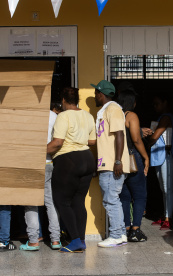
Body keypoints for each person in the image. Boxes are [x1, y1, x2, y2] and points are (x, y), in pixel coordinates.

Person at [47, 87, 96, 253]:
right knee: (78, 201)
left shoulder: (63, 116)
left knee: (62, 201)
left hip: (68, 160)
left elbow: (58, 142)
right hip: (87, 159)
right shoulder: (88, 116)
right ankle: (80, 239)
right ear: (77, 100)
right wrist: (78, 138)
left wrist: (36, 150)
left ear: (63, 100)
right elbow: (92, 141)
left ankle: (75, 240)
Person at [92, 80, 130, 248]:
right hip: (107, 163)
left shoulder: (113, 109)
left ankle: (115, 235)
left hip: (112, 164)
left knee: (110, 200)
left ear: (101, 94)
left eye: (95, 93)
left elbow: (120, 134)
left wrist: (117, 160)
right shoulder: (106, 110)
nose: (94, 96)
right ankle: (120, 234)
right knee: (112, 199)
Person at [19, 102, 62, 251]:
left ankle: (33, 240)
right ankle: (56, 240)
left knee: (31, 203)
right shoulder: (54, 116)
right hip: (48, 161)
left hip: (30, 163)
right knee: (50, 202)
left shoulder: (26, 115)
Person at [117, 87, 149, 242]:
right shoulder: (131, 116)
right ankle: (135, 230)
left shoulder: (115, 115)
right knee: (140, 195)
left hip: (117, 159)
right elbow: (136, 139)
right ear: (132, 102)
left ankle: (126, 228)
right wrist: (145, 157)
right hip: (131, 157)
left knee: (124, 196)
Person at [147, 93, 173, 230]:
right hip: (162, 156)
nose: (155, 107)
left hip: (167, 156)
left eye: (157, 103)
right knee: (164, 188)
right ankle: (166, 215)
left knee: (167, 188)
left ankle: (169, 218)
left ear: (165, 102)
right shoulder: (163, 117)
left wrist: (147, 139)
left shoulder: (166, 118)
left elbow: (155, 137)